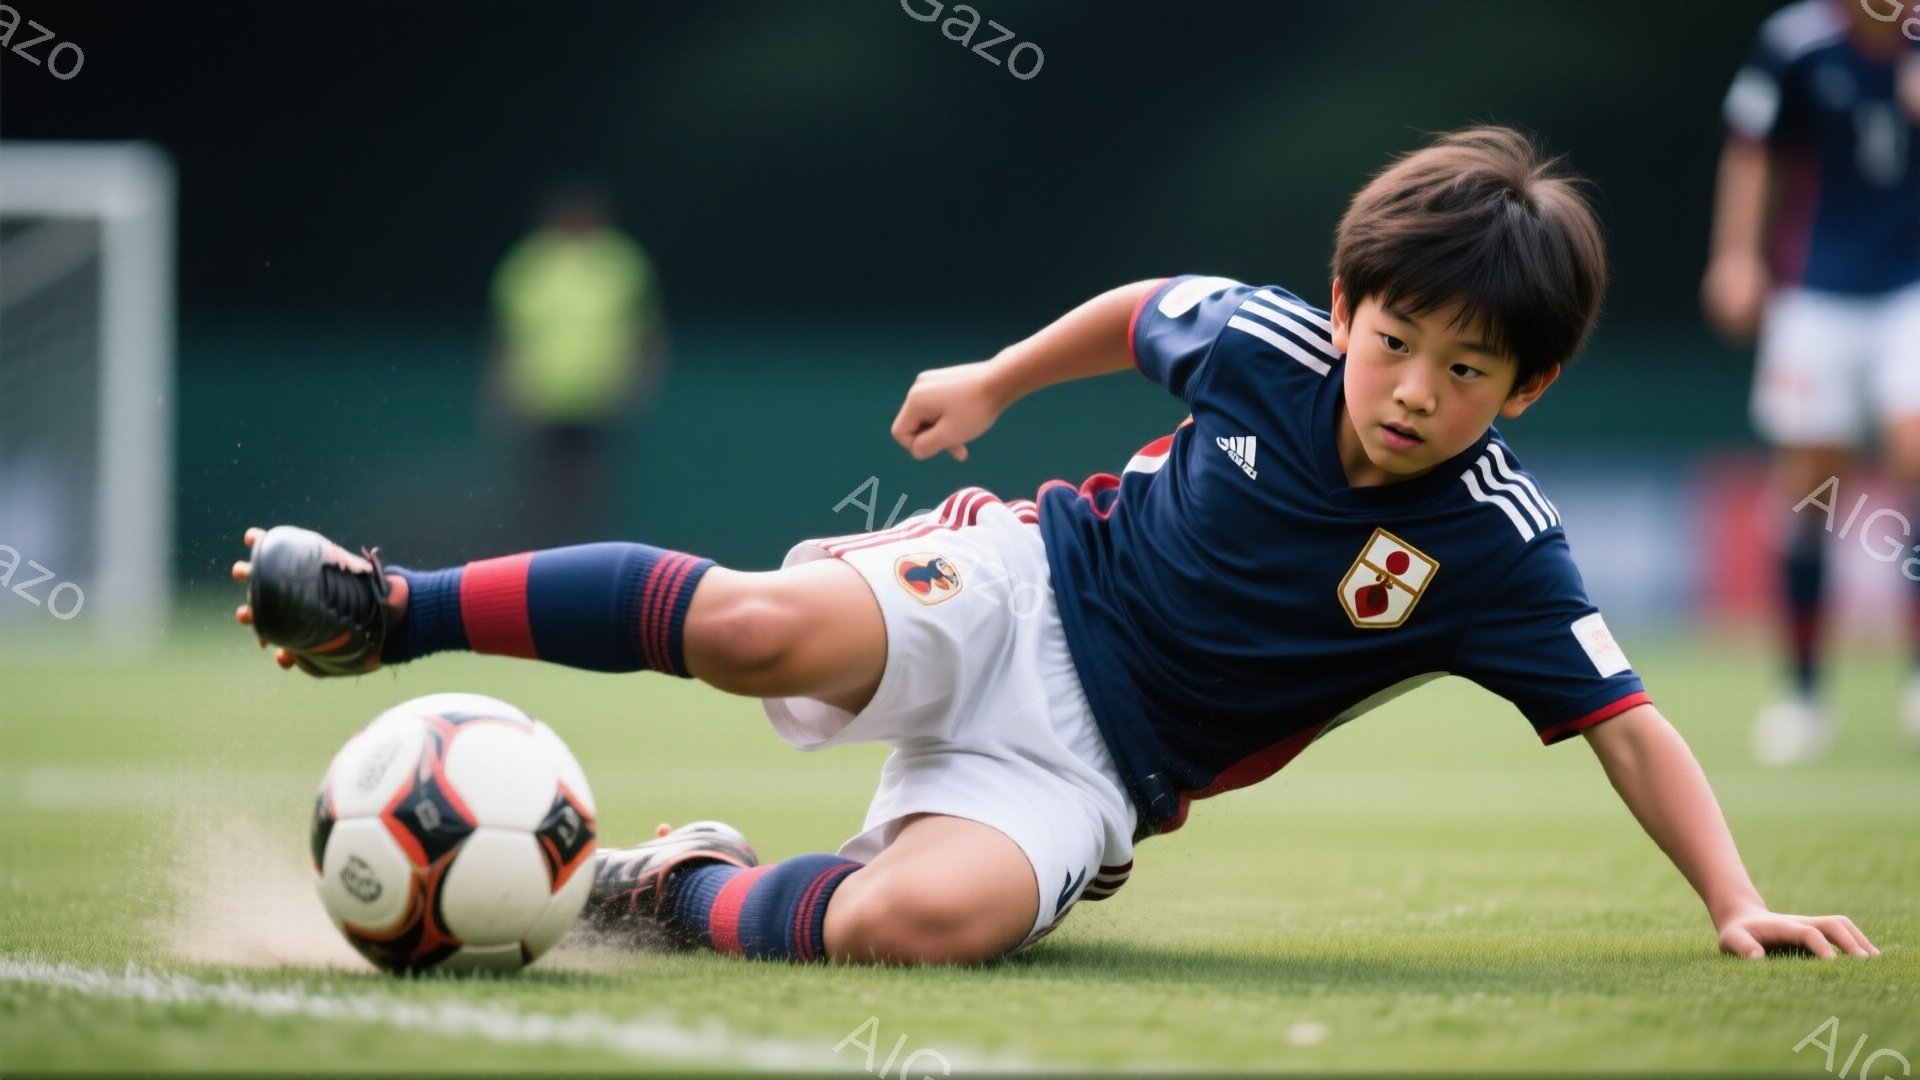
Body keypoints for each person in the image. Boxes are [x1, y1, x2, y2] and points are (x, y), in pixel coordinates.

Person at [235, 128, 1877, 967]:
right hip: (1020, 586)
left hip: (1099, 772)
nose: (1414, 393)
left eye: (1470, 374)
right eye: (1396, 343)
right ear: (1344, 308)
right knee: (749, 628)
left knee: (909, 927)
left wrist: (1735, 901)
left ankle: (671, 888)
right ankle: (387, 608)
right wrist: (996, 382)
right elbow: (1139, 308)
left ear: (1532, 385)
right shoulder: (1267, 345)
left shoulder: (1500, 545)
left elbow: (1630, 724)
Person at [1702, 0, 1920, 763]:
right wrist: (1737, 255)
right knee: (1810, 490)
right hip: (1817, 291)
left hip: (1912, 290)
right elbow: (1753, 149)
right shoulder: (1796, 44)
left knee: (1915, 446)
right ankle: (1801, 691)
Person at [489, 184, 664, 546]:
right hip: (541, 397)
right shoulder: (529, 262)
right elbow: (507, 336)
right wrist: (503, 388)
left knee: (588, 489)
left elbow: (646, 331)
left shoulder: (619, 261)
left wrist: (638, 380)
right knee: (540, 488)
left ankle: (584, 556)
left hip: (598, 397)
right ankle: (540, 556)